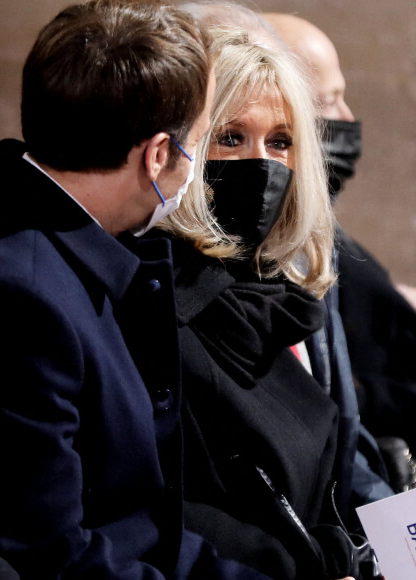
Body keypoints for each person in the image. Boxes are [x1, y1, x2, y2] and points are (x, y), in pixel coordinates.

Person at [0, 2, 272, 578]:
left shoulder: (67, 243)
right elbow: (55, 556)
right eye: (201, 141)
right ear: (158, 156)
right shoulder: (20, 298)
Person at [155, 23, 371, 580]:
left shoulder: (280, 297)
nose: (262, 162)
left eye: (279, 141)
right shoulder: (152, 301)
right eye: (230, 137)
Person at [265, 12, 416, 463]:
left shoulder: (312, 227)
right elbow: (308, 410)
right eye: (328, 101)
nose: (347, 118)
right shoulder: (250, 247)